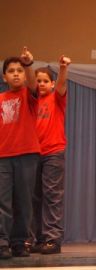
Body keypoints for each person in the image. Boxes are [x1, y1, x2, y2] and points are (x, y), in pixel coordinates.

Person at [28, 56, 71, 255]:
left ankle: (53, 239)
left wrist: (63, 68)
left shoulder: (56, 98)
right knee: (34, 198)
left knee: (52, 196)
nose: (42, 84)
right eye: (39, 81)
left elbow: (62, 84)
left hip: (53, 152)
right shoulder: (31, 101)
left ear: (52, 83)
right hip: (33, 153)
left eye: (45, 81)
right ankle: (38, 238)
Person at [0, 47, 40, 259]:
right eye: (11, 70)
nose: (16, 73)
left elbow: (34, 84)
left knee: (24, 202)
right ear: (4, 77)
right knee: (2, 202)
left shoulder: (28, 94)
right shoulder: (0, 98)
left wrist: (28, 64)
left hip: (27, 155)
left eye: (19, 70)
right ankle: (2, 242)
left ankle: (19, 242)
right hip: (3, 157)